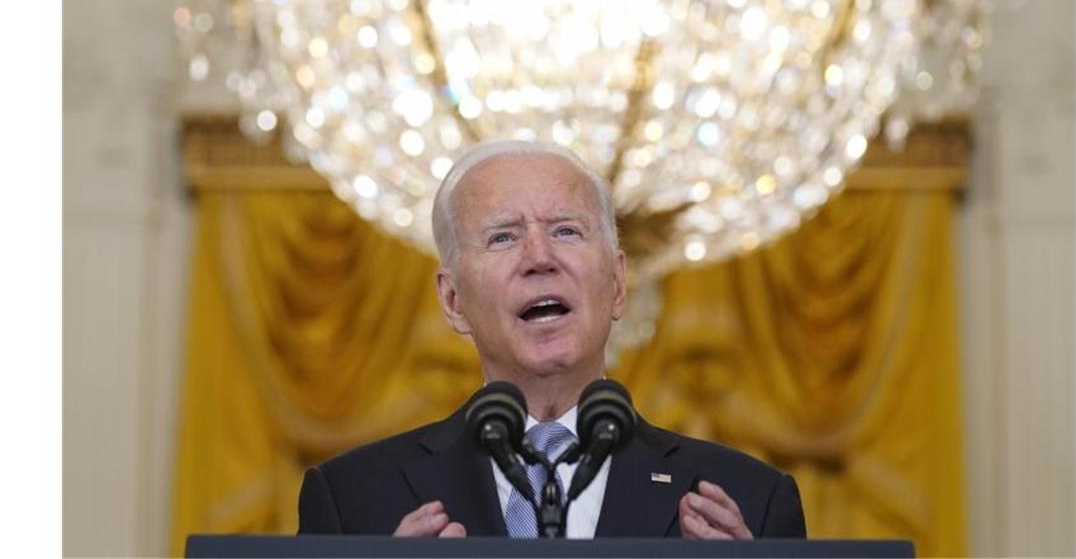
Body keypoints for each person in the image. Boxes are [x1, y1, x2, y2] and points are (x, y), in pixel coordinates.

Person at [298, 140, 806, 539]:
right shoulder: (352, 501)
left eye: (566, 231)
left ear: (616, 283)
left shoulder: (751, 501)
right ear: (453, 301)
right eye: (503, 236)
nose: (539, 257)